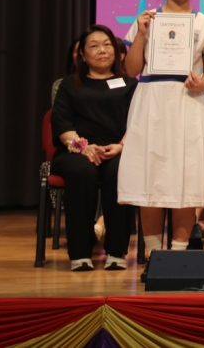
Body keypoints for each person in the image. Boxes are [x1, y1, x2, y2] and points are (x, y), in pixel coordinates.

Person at [117, 0, 204, 275]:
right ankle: (153, 257)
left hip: (188, 104)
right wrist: (142, 33)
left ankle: (177, 258)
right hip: (152, 103)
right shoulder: (147, 20)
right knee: (152, 179)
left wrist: (203, 83)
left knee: (185, 180)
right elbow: (131, 69)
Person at [51, 25, 137, 271]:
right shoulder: (69, 85)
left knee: (119, 171)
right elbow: (62, 124)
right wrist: (84, 147)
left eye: (107, 45)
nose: (102, 50)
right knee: (82, 172)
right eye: (94, 46)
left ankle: (116, 251)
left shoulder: (130, 84)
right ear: (82, 54)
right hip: (75, 150)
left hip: (117, 149)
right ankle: (80, 252)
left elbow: (137, 122)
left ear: (117, 51)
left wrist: (121, 146)